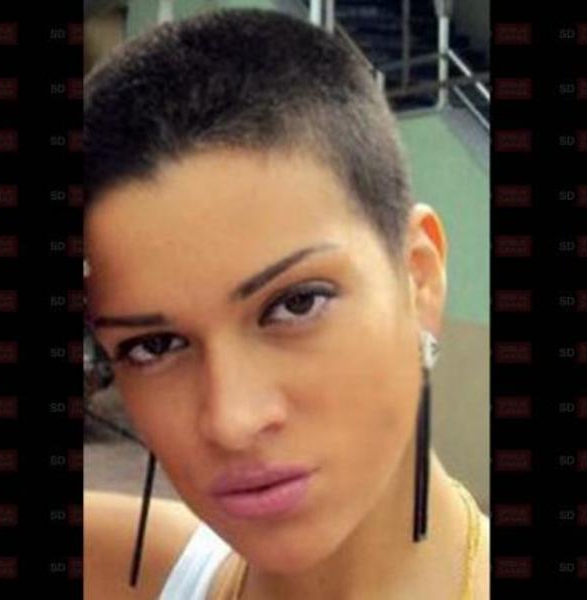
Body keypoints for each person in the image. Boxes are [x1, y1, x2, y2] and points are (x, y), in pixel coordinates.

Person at [83, 8, 489, 600]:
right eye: (154, 346)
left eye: (297, 304)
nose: (232, 420)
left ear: (419, 278)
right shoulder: (127, 571)